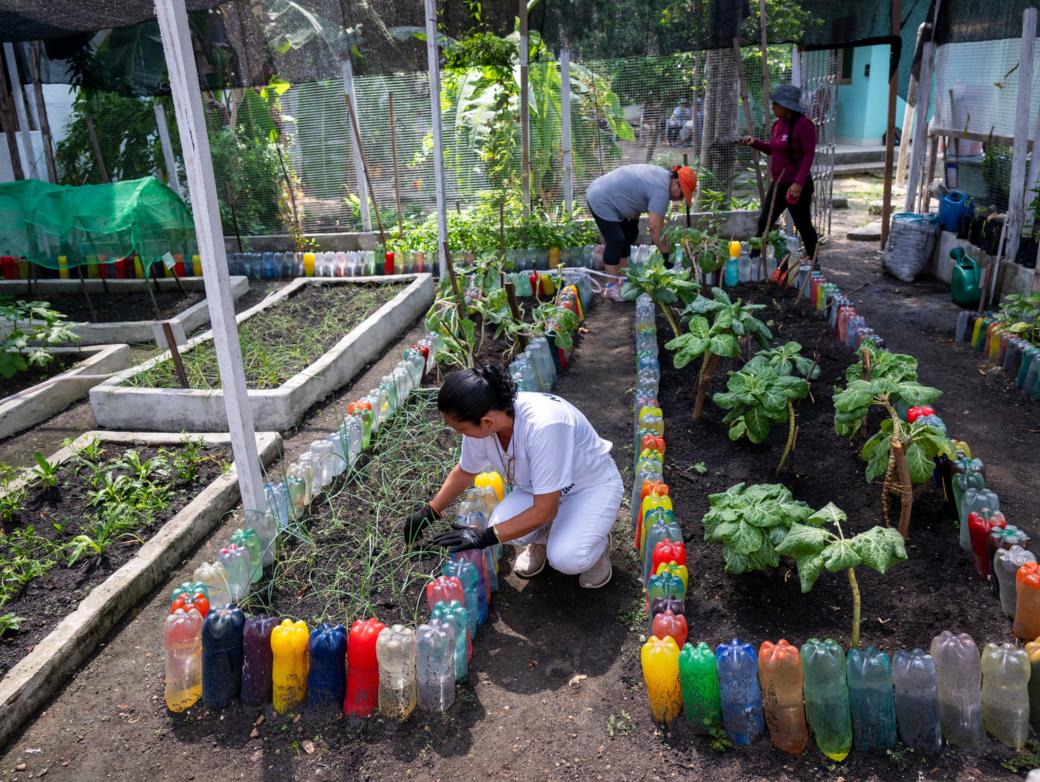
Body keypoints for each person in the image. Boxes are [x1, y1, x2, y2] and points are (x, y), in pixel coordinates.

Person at [402, 366, 623, 589]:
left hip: (587, 487)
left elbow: (545, 509)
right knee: (503, 529)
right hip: (536, 489)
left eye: (461, 429)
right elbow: (466, 470)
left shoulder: (544, 425)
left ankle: (596, 547)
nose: (460, 434)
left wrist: (483, 537)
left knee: (567, 558)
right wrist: (430, 510)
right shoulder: (484, 420)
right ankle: (543, 540)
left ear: (486, 422)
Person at [585, 163, 697, 300]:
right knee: (615, 239)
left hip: (608, 195)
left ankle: (622, 279)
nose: (680, 199)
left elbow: (635, 193)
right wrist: (668, 260)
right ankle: (611, 287)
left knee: (628, 236)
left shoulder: (662, 178)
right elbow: (655, 230)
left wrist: (633, 223)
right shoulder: (661, 190)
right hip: (601, 198)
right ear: (676, 183)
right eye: (682, 194)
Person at [738, 83, 819, 266]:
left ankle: (815, 262)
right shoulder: (778, 125)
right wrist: (754, 143)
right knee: (764, 221)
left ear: (787, 106)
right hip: (779, 184)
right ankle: (753, 260)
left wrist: (798, 184)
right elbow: (774, 150)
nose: (773, 107)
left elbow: (809, 155)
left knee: (803, 225)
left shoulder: (804, 125)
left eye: (776, 104)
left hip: (797, 185)